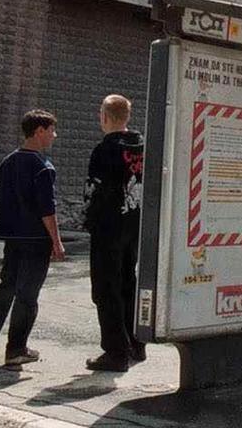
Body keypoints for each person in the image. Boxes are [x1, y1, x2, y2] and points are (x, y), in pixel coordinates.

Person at [0, 110, 65, 367]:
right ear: (39, 131)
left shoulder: (8, 162)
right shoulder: (42, 167)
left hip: (10, 237)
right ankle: (16, 349)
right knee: (27, 295)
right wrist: (56, 240)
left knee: (5, 287)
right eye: (52, 130)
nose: (55, 135)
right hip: (35, 239)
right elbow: (46, 209)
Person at [83, 94, 146, 372]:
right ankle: (136, 343)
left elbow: (94, 191)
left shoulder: (104, 150)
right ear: (127, 117)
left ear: (104, 117)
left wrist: (90, 221)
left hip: (108, 227)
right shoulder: (142, 147)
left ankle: (115, 351)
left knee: (105, 289)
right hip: (134, 224)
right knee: (128, 283)